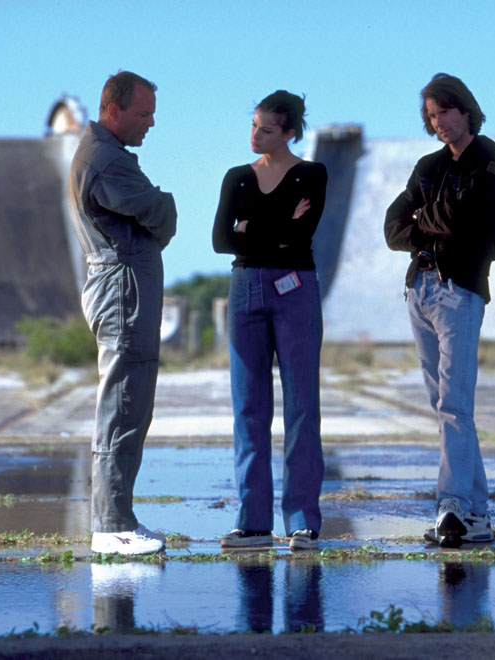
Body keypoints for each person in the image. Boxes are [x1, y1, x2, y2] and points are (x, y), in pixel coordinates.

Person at [383, 73, 495, 548]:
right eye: (431, 115)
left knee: (456, 406)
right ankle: (476, 515)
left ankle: (452, 507)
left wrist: (432, 222)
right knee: (445, 408)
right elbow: (393, 227)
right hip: (419, 289)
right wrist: (434, 228)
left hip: (459, 290)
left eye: (444, 111)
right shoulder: (428, 166)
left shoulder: (494, 164)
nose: (438, 122)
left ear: (465, 109)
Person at [212, 90, 328, 552]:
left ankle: (302, 522)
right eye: (254, 124)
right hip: (244, 289)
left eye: (265, 128)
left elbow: (302, 233)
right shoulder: (237, 178)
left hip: (296, 287)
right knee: (248, 408)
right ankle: (253, 524)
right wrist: (277, 225)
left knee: (301, 405)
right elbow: (222, 239)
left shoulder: (312, 174)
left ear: (290, 132)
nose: (255, 134)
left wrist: (251, 228)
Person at [67, 71, 177, 555]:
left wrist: (157, 210)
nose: (151, 122)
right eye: (143, 113)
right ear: (113, 109)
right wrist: (166, 203)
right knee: (123, 402)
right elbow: (161, 214)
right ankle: (110, 526)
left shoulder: (105, 154)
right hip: (123, 287)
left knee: (129, 399)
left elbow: (152, 216)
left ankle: (118, 518)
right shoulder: (108, 162)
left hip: (121, 283)